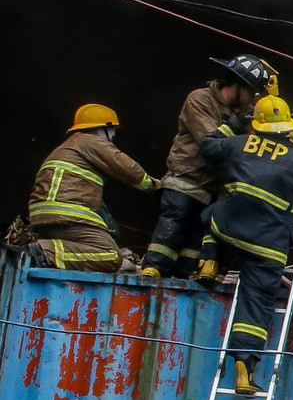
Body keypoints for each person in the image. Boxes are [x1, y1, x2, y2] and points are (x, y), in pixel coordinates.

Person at [196, 96, 293, 394]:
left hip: (228, 228)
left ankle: (210, 259)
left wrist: (232, 124)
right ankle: (244, 369)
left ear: (258, 123)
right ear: (286, 127)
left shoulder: (238, 143)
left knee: (210, 212)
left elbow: (206, 146)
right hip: (267, 246)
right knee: (257, 304)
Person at [142, 55, 275, 279]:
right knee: (172, 229)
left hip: (213, 188)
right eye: (252, 93)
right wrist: (235, 129)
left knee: (194, 245)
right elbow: (210, 143)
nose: (253, 100)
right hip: (186, 179)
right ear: (238, 85)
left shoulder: (244, 114)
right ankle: (152, 270)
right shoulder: (200, 99)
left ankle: (183, 279)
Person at [25, 104, 158, 271]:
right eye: (112, 131)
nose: (113, 136)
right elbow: (128, 169)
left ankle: (48, 249)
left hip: (43, 215)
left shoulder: (67, 147)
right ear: (104, 129)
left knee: (81, 250)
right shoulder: (89, 141)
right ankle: (46, 251)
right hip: (67, 213)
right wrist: (157, 187)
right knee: (109, 255)